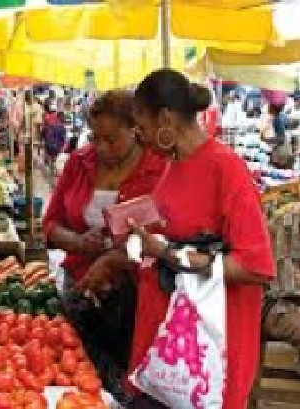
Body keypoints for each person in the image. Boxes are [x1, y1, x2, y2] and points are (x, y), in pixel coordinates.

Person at [78, 69, 274, 409]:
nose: (141, 140)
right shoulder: (174, 165)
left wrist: (168, 252)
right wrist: (124, 253)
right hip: (165, 348)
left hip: (205, 357)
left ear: (166, 118)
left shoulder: (226, 171)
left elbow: (254, 267)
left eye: (142, 129)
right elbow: (170, 237)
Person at [42, 90, 167, 401]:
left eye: (111, 139)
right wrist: (79, 242)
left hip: (136, 291)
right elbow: (50, 224)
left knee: (128, 374)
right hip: (83, 283)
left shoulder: (160, 168)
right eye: (96, 137)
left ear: (134, 128)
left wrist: (117, 258)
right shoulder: (80, 161)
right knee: (83, 371)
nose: (101, 147)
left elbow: (170, 236)